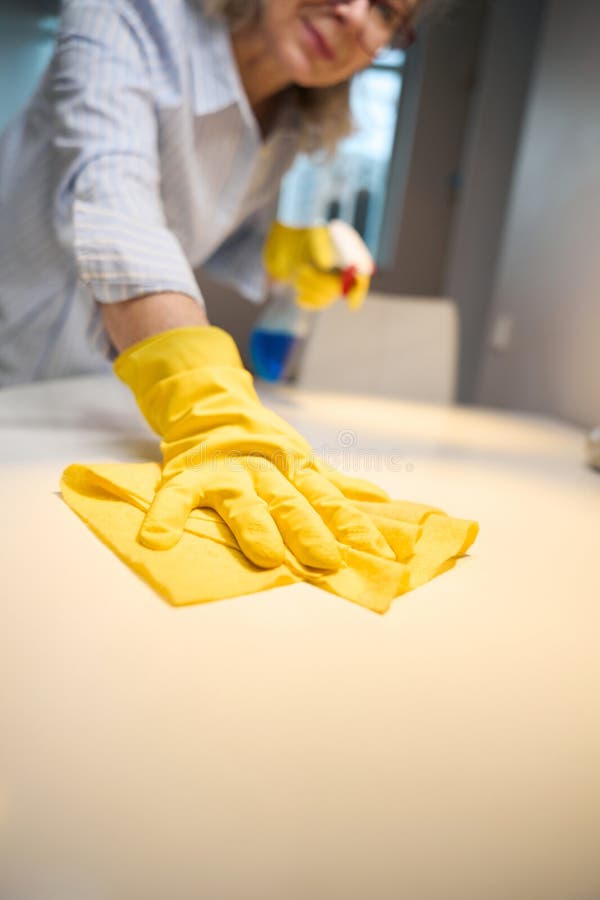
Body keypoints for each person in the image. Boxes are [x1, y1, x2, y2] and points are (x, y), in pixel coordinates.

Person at [0, 0, 420, 570]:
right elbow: (116, 205)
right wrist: (208, 398)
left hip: (87, 397)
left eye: (387, 12)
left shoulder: (289, 123)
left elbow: (213, 234)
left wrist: (288, 255)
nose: (352, 13)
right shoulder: (126, 15)